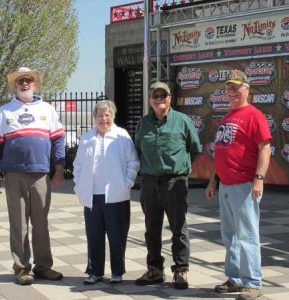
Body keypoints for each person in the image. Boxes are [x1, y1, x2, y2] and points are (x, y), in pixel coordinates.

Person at [0, 67, 66, 285]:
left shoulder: (47, 109)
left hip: (41, 173)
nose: (25, 84)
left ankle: (43, 267)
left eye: (29, 80)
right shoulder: (4, 111)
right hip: (13, 174)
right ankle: (22, 268)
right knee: (18, 223)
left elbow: (58, 139)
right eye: (21, 80)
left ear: (35, 84)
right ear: (14, 85)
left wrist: (59, 167)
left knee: (41, 223)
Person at [206, 69, 272, 300]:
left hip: (244, 185)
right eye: (228, 87)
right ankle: (234, 278)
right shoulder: (227, 116)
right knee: (229, 235)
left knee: (247, 234)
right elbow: (223, 150)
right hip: (226, 184)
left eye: (236, 87)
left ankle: (253, 282)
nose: (232, 91)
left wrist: (259, 179)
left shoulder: (254, 115)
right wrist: (214, 179)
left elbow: (265, 147)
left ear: (247, 88)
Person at [134, 82, 201, 289]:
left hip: (175, 183)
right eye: (155, 95)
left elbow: (194, 149)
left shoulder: (182, 121)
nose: (159, 99)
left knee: (178, 228)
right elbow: (138, 150)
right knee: (151, 229)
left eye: (163, 95)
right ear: (150, 99)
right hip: (149, 182)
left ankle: (181, 271)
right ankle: (154, 269)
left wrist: (181, 168)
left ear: (170, 98)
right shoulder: (142, 124)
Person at [73, 100, 139, 285]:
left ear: (113, 117)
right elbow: (77, 165)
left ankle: (117, 272)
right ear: (95, 117)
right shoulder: (87, 137)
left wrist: (126, 183)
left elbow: (132, 162)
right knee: (94, 235)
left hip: (116, 196)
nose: (104, 118)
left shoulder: (122, 136)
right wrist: (78, 185)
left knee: (117, 235)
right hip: (92, 196)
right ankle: (95, 271)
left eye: (108, 115)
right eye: (100, 115)